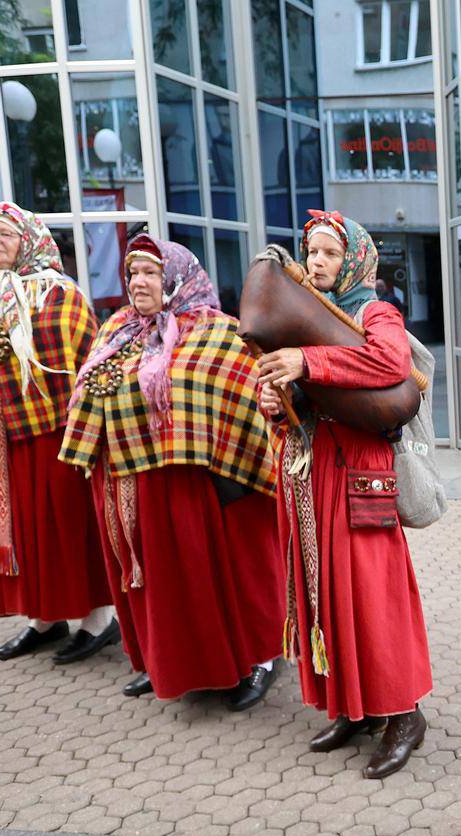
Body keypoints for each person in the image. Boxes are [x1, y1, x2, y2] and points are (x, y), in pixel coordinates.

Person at [59, 236, 285, 709]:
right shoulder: (116, 330)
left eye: (150, 273)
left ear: (177, 277)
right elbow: (89, 395)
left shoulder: (219, 333)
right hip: (128, 481)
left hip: (201, 488)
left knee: (224, 576)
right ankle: (164, 663)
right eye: (133, 273)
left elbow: (245, 406)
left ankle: (258, 658)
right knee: (157, 583)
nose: (139, 282)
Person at [257, 210, 433, 779]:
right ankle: (354, 707)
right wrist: (276, 405)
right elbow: (302, 404)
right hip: (312, 474)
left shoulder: (374, 311)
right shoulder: (302, 314)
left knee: (371, 593)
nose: (318, 263)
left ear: (355, 259)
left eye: (331, 253)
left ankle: (404, 715)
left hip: (361, 472)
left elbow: (390, 360)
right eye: (312, 252)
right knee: (325, 592)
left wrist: (305, 360)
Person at [0, 201, 117, 663]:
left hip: (53, 435)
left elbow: (88, 363)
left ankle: (99, 620)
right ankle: (44, 618)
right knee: (20, 531)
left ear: (29, 242)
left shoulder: (61, 295)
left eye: (4, 234)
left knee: (68, 526)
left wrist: (92, 431)